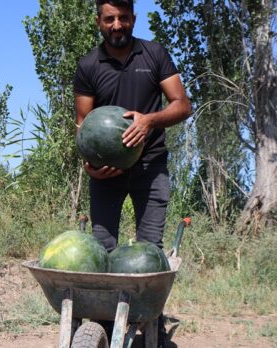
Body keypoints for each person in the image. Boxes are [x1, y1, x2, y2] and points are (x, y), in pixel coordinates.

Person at [73, 0, 191, 345]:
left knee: (149, 250)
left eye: (123, 18)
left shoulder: (154, 54)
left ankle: (144, 325)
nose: (117, 25)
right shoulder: (89, 65)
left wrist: (149, 120)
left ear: (133, 19)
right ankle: (104, 324)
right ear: (99, 21)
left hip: (151, 166)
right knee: (102, 247)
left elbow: (182, 104)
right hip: (106, 174)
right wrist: (90, 166)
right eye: (110, 19)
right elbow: (83, 125)